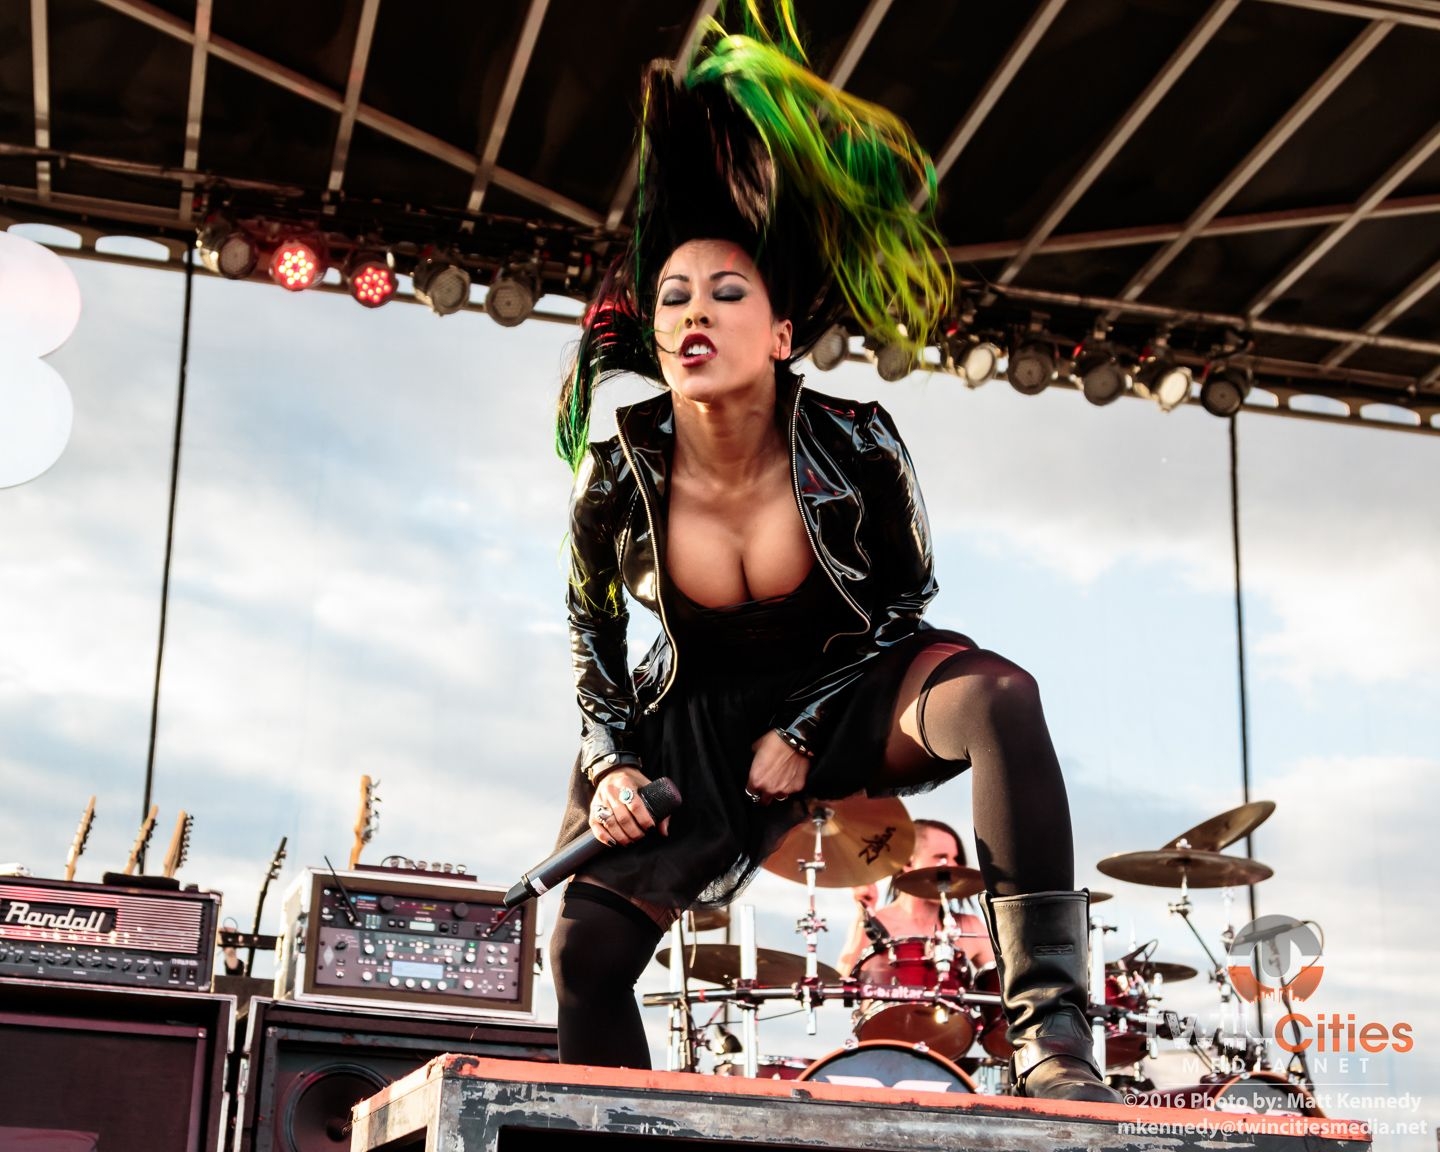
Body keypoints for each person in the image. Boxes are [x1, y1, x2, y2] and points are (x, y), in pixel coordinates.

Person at [544, 5, 1117, 1103]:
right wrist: (612, 762)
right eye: (674, 296)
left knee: (1001, 697)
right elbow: (590, 630)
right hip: (694, 716)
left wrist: (807, 729)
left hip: (851, 682)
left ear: (780, 334)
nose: (695, 312)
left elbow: (903, 602)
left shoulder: (859, 442)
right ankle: (616, 1127)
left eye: (727, 293)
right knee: (585, 953)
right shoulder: (616, 470)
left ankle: (1053, 1037)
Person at [835, 819, 994, 978]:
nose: (953, 867)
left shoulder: (970, 927)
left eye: (955, 858)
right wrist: (863, 915)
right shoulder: (876, 925)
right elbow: (842, 983)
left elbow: (1003, 984)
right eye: (941, 857)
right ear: (909, 862)